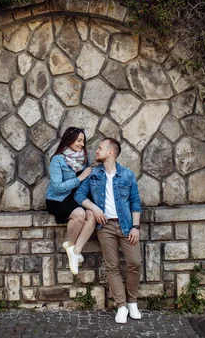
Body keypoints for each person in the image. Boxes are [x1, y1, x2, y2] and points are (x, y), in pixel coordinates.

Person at [74, 137, 142, 324]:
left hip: (126, 225)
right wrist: (95, 209)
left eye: (100, 148)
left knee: (134, 262)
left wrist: (135, 227)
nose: (96, 151)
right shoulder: (94, 174)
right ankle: (121, 306)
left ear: (111, 152)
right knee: (112, 266)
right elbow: (79, 195)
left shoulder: (127, 175)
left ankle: (132, 302)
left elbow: (135, 202)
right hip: (105, 227)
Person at [45, 127, 96, 275]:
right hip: (57, 199)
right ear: (70, 139)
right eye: (79, 140)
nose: (81, 144)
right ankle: (72, 246)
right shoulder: (58, 159)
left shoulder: (83, 161)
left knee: (92, 215)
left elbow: (86, 183)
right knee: (80, 214)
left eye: (83, 141)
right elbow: (57, 187)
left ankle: (75, 249)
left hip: (75, 199)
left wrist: (93, 170)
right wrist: (79, 178)